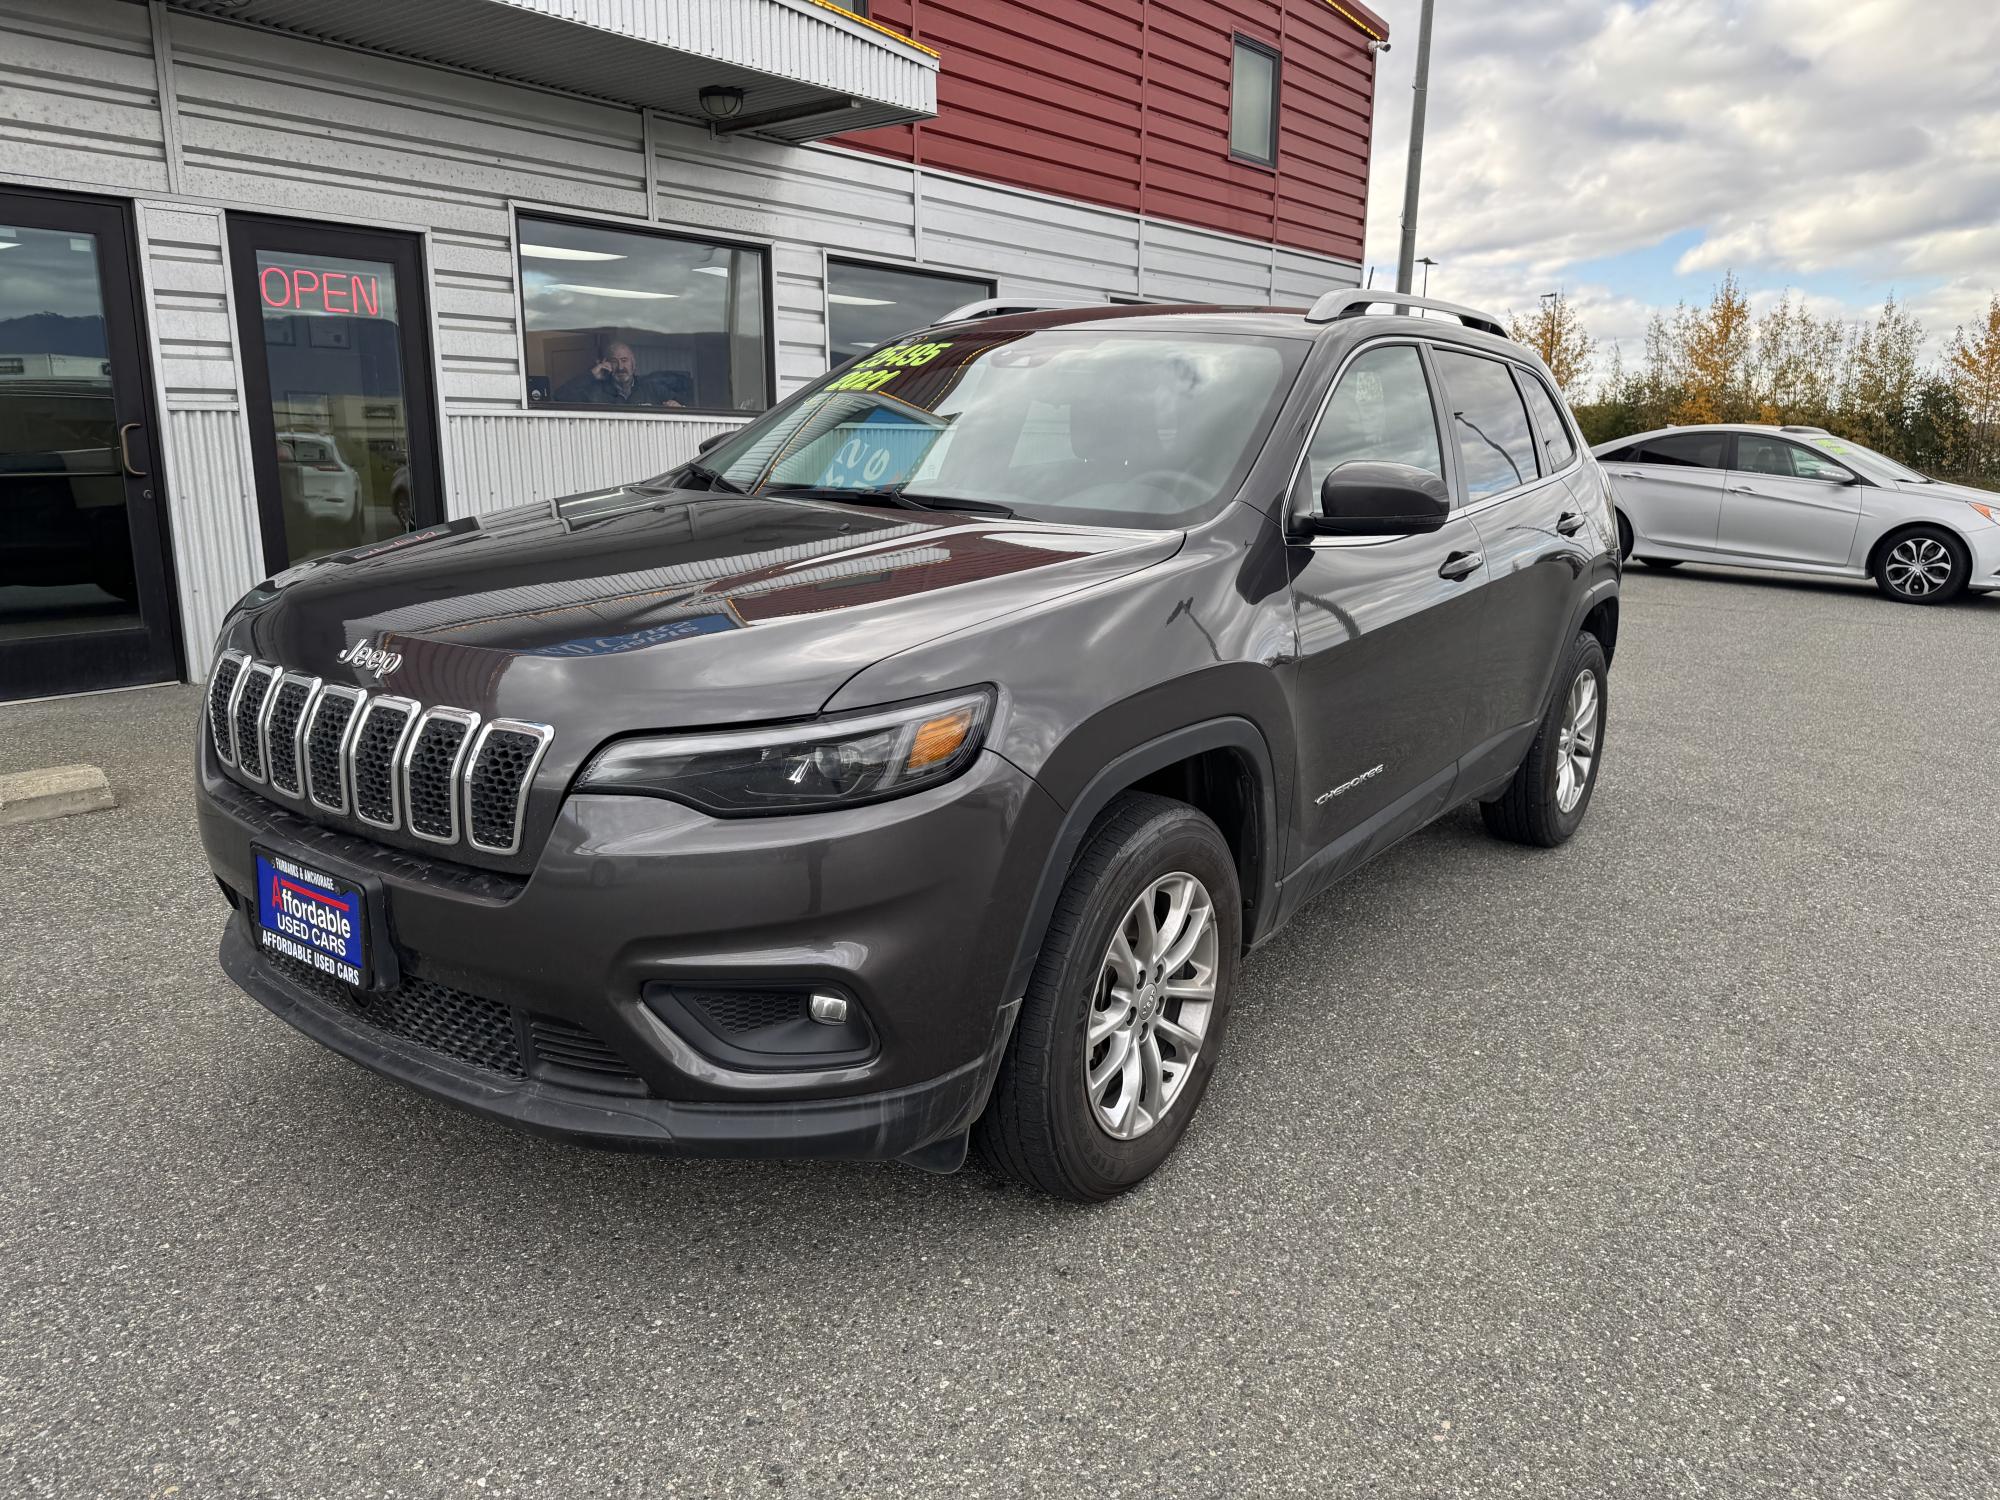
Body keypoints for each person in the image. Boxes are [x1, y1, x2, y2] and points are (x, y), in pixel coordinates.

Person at [554, 340, 684, 407]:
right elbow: (560, 396)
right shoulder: (595, 391)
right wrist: (591, 375)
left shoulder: (651, 389)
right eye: (614, 361)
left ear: (634, 364)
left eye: (624, 360)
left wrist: (678, 406)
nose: (621, 367)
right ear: (607, 364)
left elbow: (689, 401)